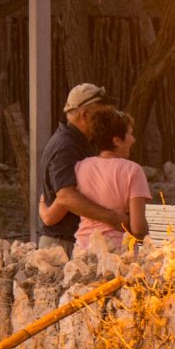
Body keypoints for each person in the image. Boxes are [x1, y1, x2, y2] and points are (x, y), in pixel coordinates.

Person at [39, 83, 132, 252]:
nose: (107, 116)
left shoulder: (81, 143)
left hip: (72, 242)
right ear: (85, 114)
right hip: (61, 245)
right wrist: (111, 218)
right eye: (102, 111)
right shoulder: (66, 147)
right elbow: (66, 196)